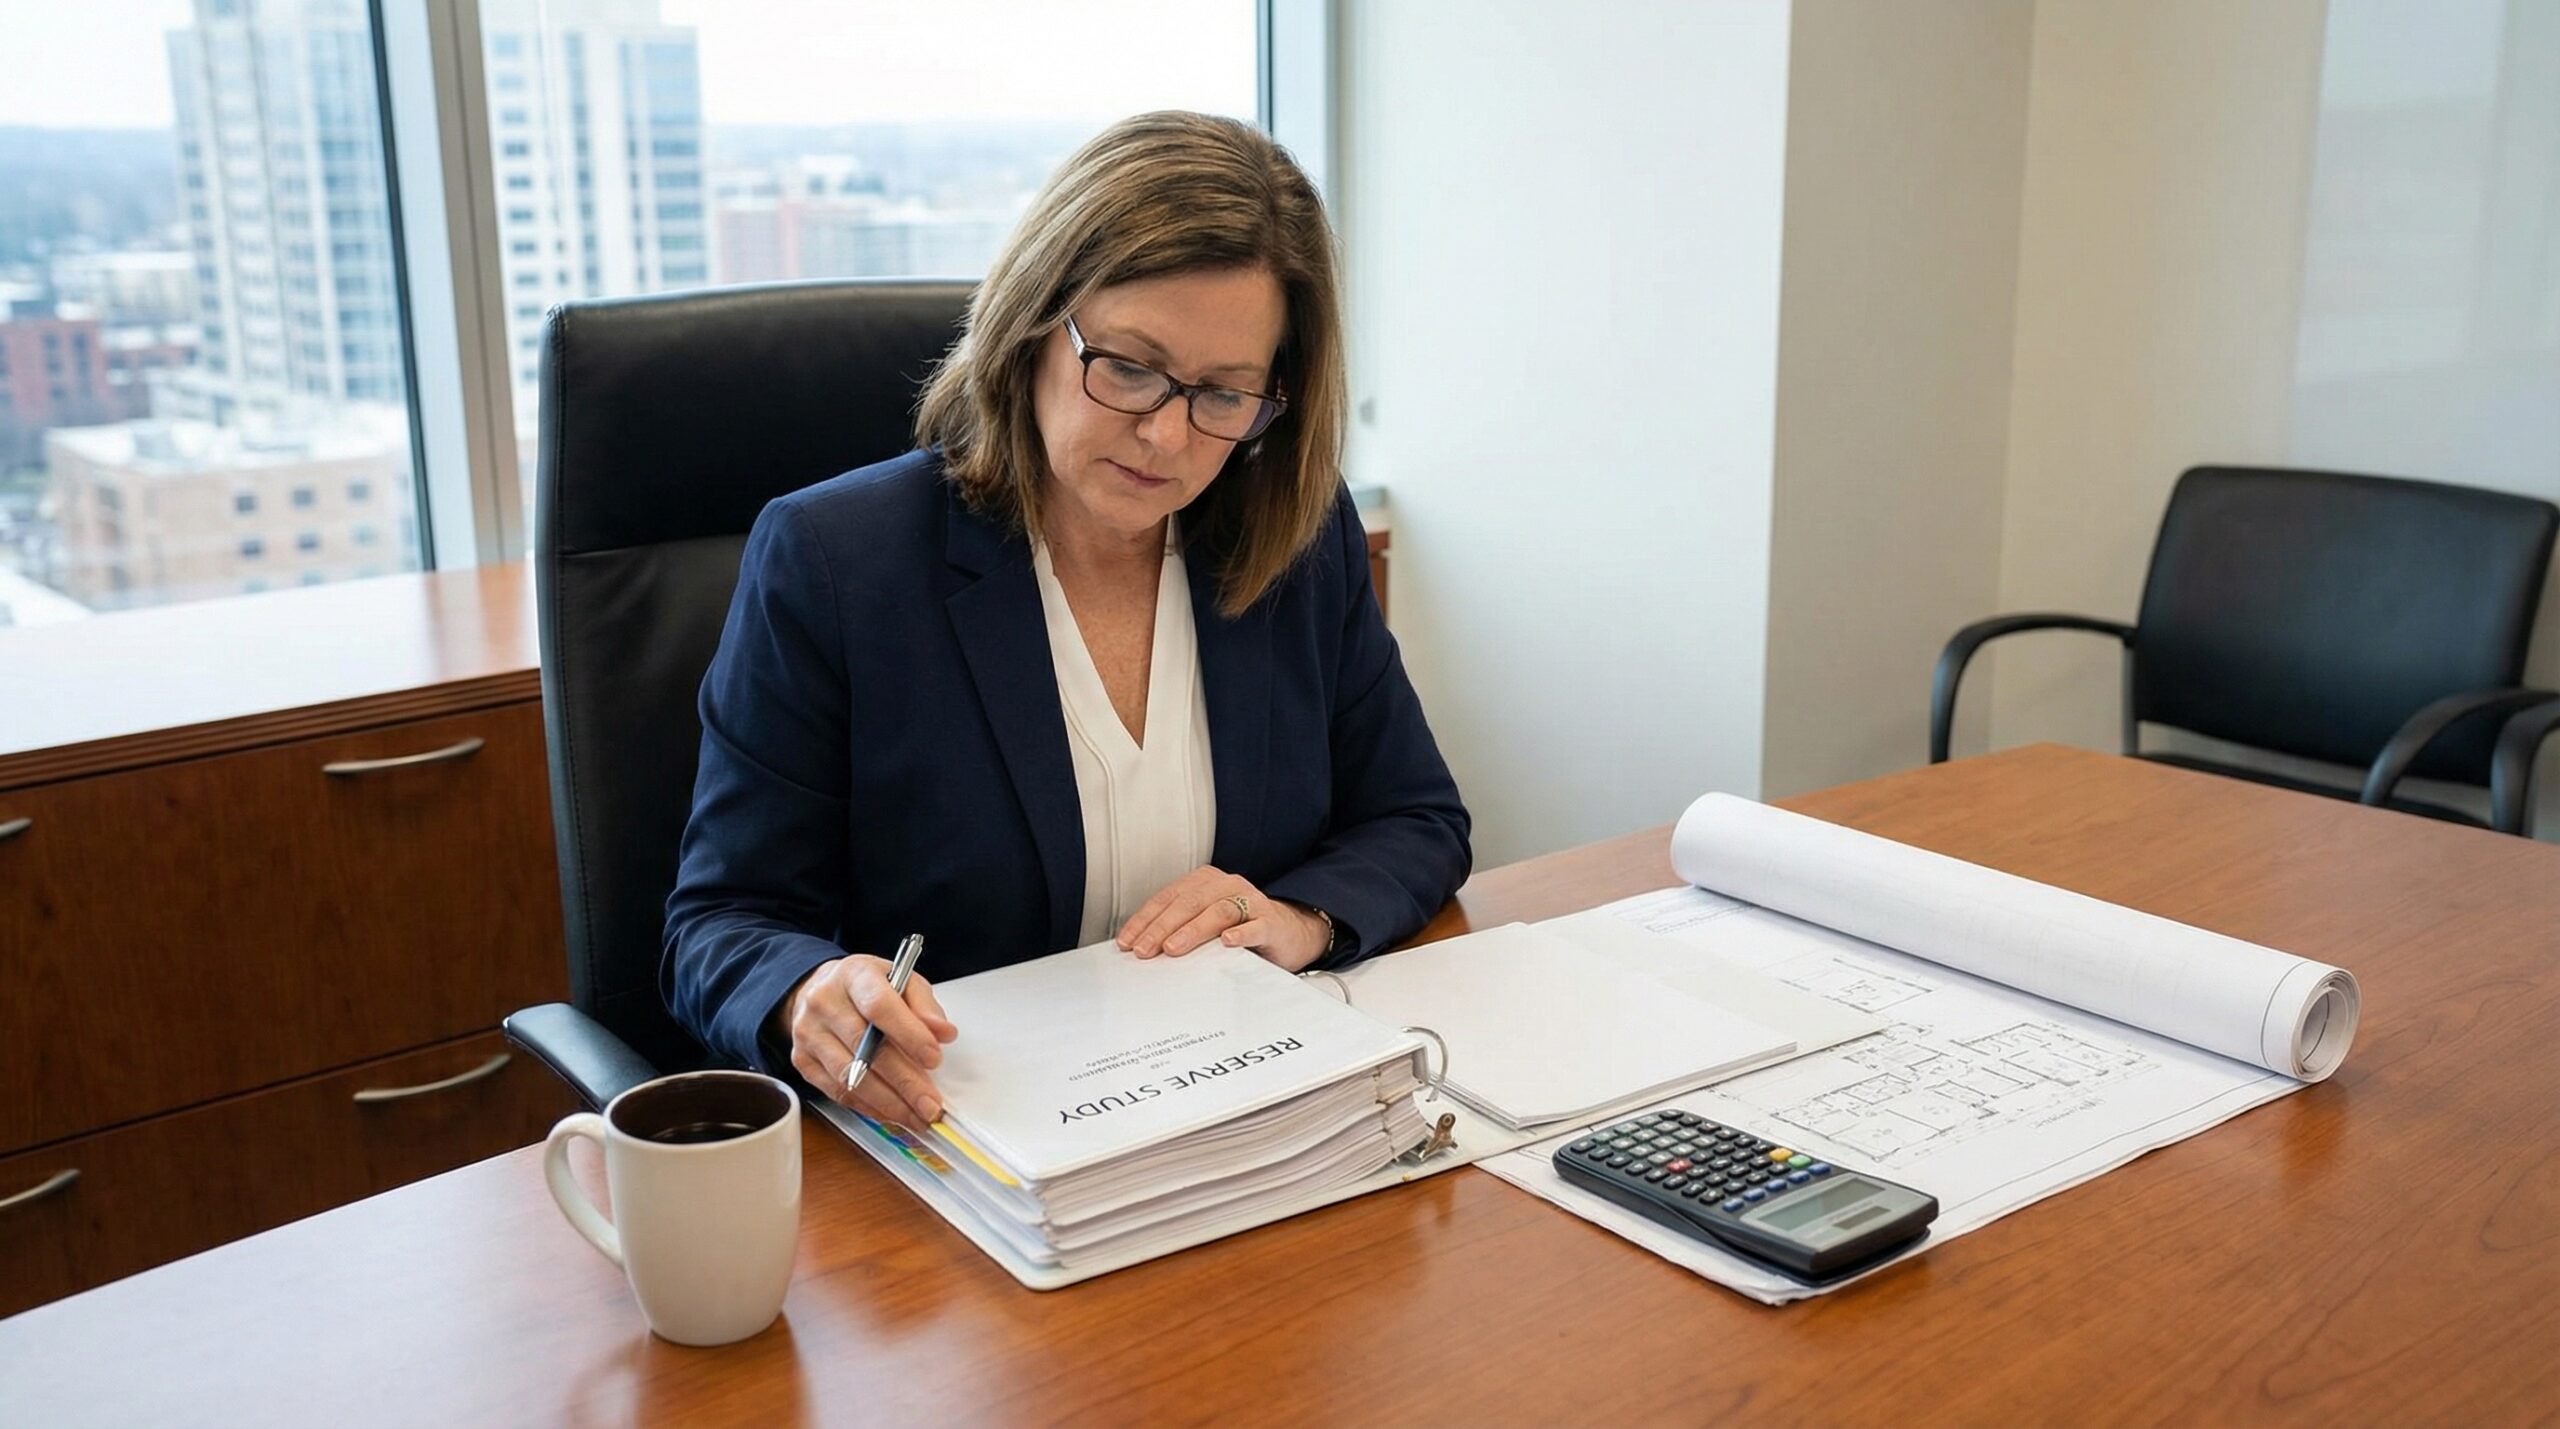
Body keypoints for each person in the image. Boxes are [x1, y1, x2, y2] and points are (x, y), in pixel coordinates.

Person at [662, 111, 1470, 1132]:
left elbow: (1418, 820)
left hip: (1241, 1115)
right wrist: (806, 993)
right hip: (968, 1143)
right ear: (1034, 324)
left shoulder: (1296, 540)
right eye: (1128, 366)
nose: (1166, 435)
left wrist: (1301, 918)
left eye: (1222, 393)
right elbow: (719, 922)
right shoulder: (834, 562)